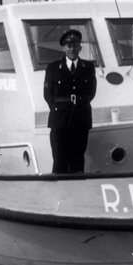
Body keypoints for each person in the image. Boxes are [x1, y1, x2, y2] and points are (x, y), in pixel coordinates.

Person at [43, 29, 97, 173]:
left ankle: (77, 191)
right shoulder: (53, 67)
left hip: (80, 118)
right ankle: (60, 193)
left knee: (78, 160)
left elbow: (91, 92)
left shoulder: (88, 67)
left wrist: (78, 104)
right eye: (69, 46)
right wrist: (61, 107)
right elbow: (48, 95)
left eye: (75, 45)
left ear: (80, 47)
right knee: (59, 160)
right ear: (64, 48)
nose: (72, 49)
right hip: (59, 120)